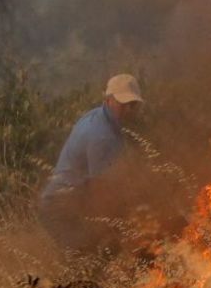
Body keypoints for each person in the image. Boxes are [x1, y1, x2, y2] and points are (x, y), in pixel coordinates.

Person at [38, 74, 144, 255]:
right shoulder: (102, 136)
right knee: (88, 258)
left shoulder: (97, 116)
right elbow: (100, 191)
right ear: (109, 100)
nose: (128, 109)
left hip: (68, 202)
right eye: (123, 103)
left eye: (132, 104)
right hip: (61, 207)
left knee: (97, 253)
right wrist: (121, 225)